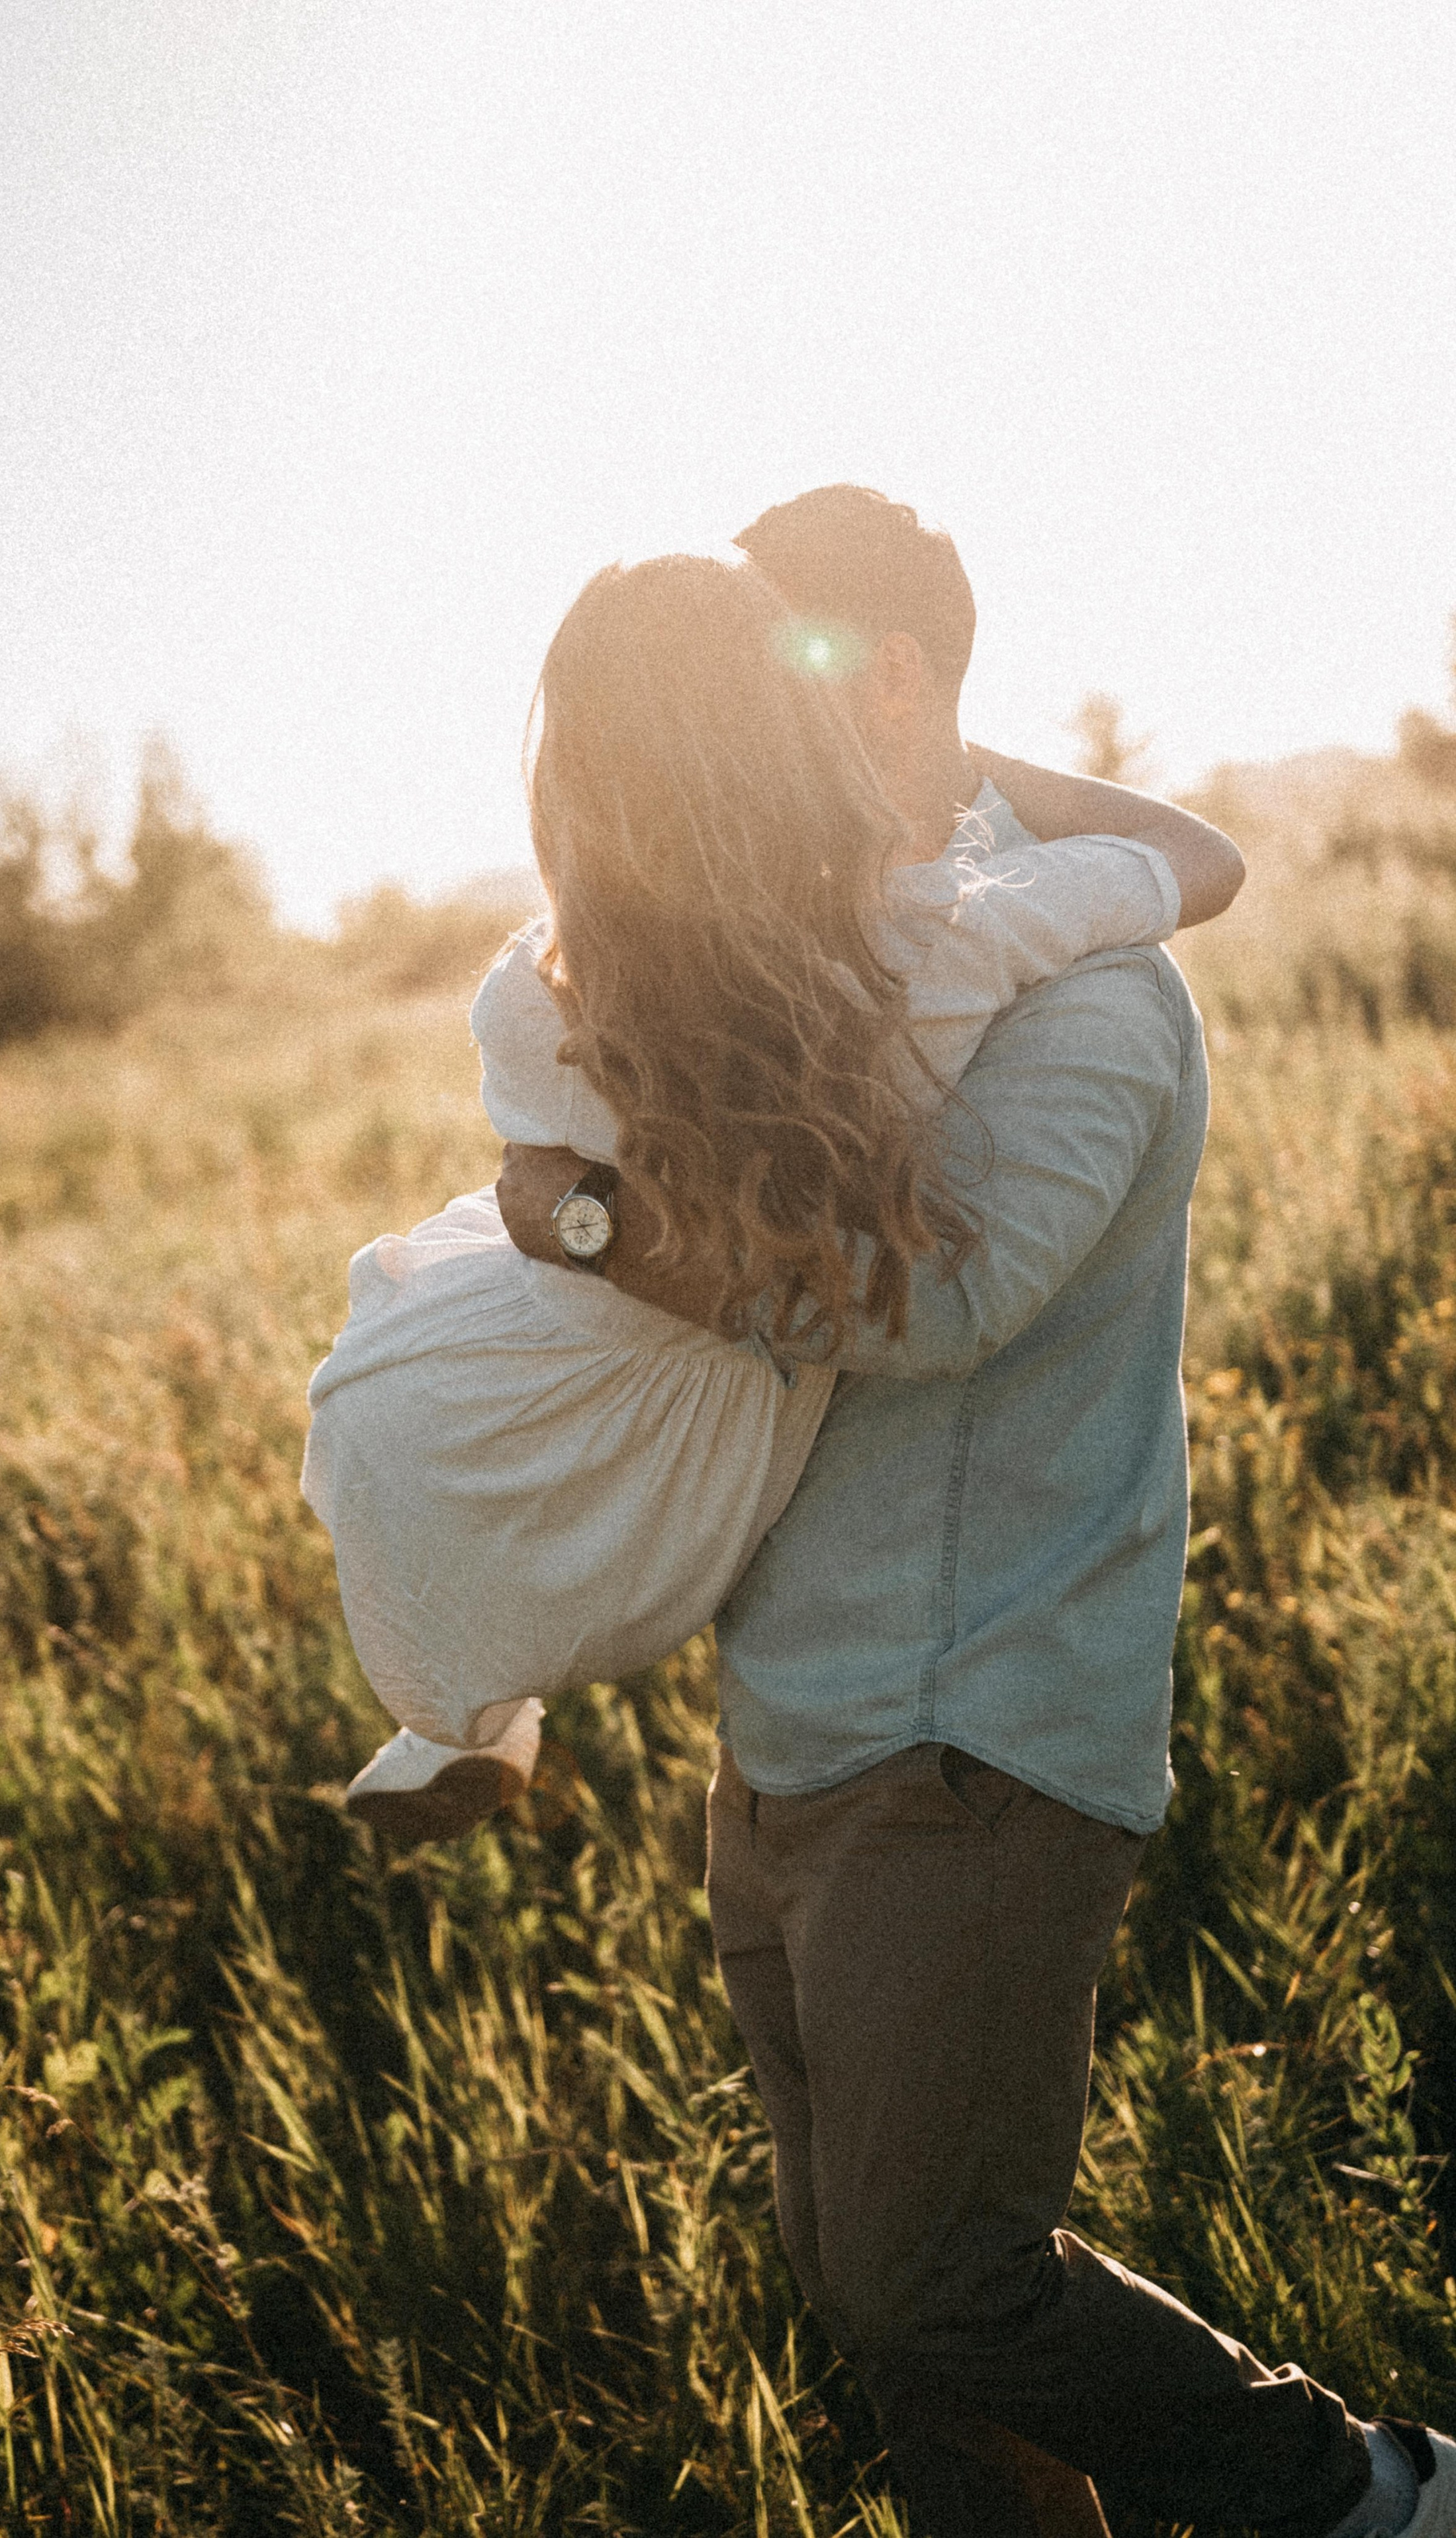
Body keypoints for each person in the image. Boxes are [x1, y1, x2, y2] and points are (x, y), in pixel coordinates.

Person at [493, 490, 1456, 2537]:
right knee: (907, 2334)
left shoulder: (1086, 986)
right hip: (796, 1736)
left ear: (891, 682)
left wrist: (592, 1224)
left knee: (936, 2276)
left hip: (981, 1731)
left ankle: (1375, 2495)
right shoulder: (794, 968)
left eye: (768, 681)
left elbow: (937, 1301)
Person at [302, 548, 1232, 1844]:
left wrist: (575, 1214)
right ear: (799, 741)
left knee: (396, 1427)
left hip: (485, 1382)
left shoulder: (527, 1000)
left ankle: (462, 1720)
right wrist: (956, 762)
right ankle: (464, 1715)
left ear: (565, 785)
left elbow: (542, 1188)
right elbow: (1197, 858)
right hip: (726, 1404)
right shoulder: (945, 939)